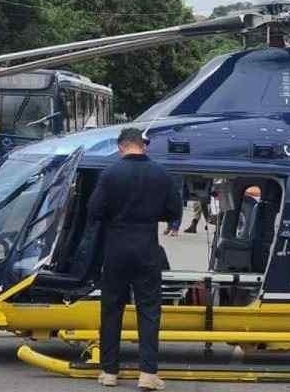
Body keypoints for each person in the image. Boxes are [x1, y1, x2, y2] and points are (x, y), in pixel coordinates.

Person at [88, 128, 181, 390]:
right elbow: (174, 208)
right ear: (144, 146)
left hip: (116, 247)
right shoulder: (160, 174)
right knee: (149, 310)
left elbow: (94, 210)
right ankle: (148, 374)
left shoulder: (110, 174)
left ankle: (109, 372)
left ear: (121, 147)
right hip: (147, 246)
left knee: (111, 309)